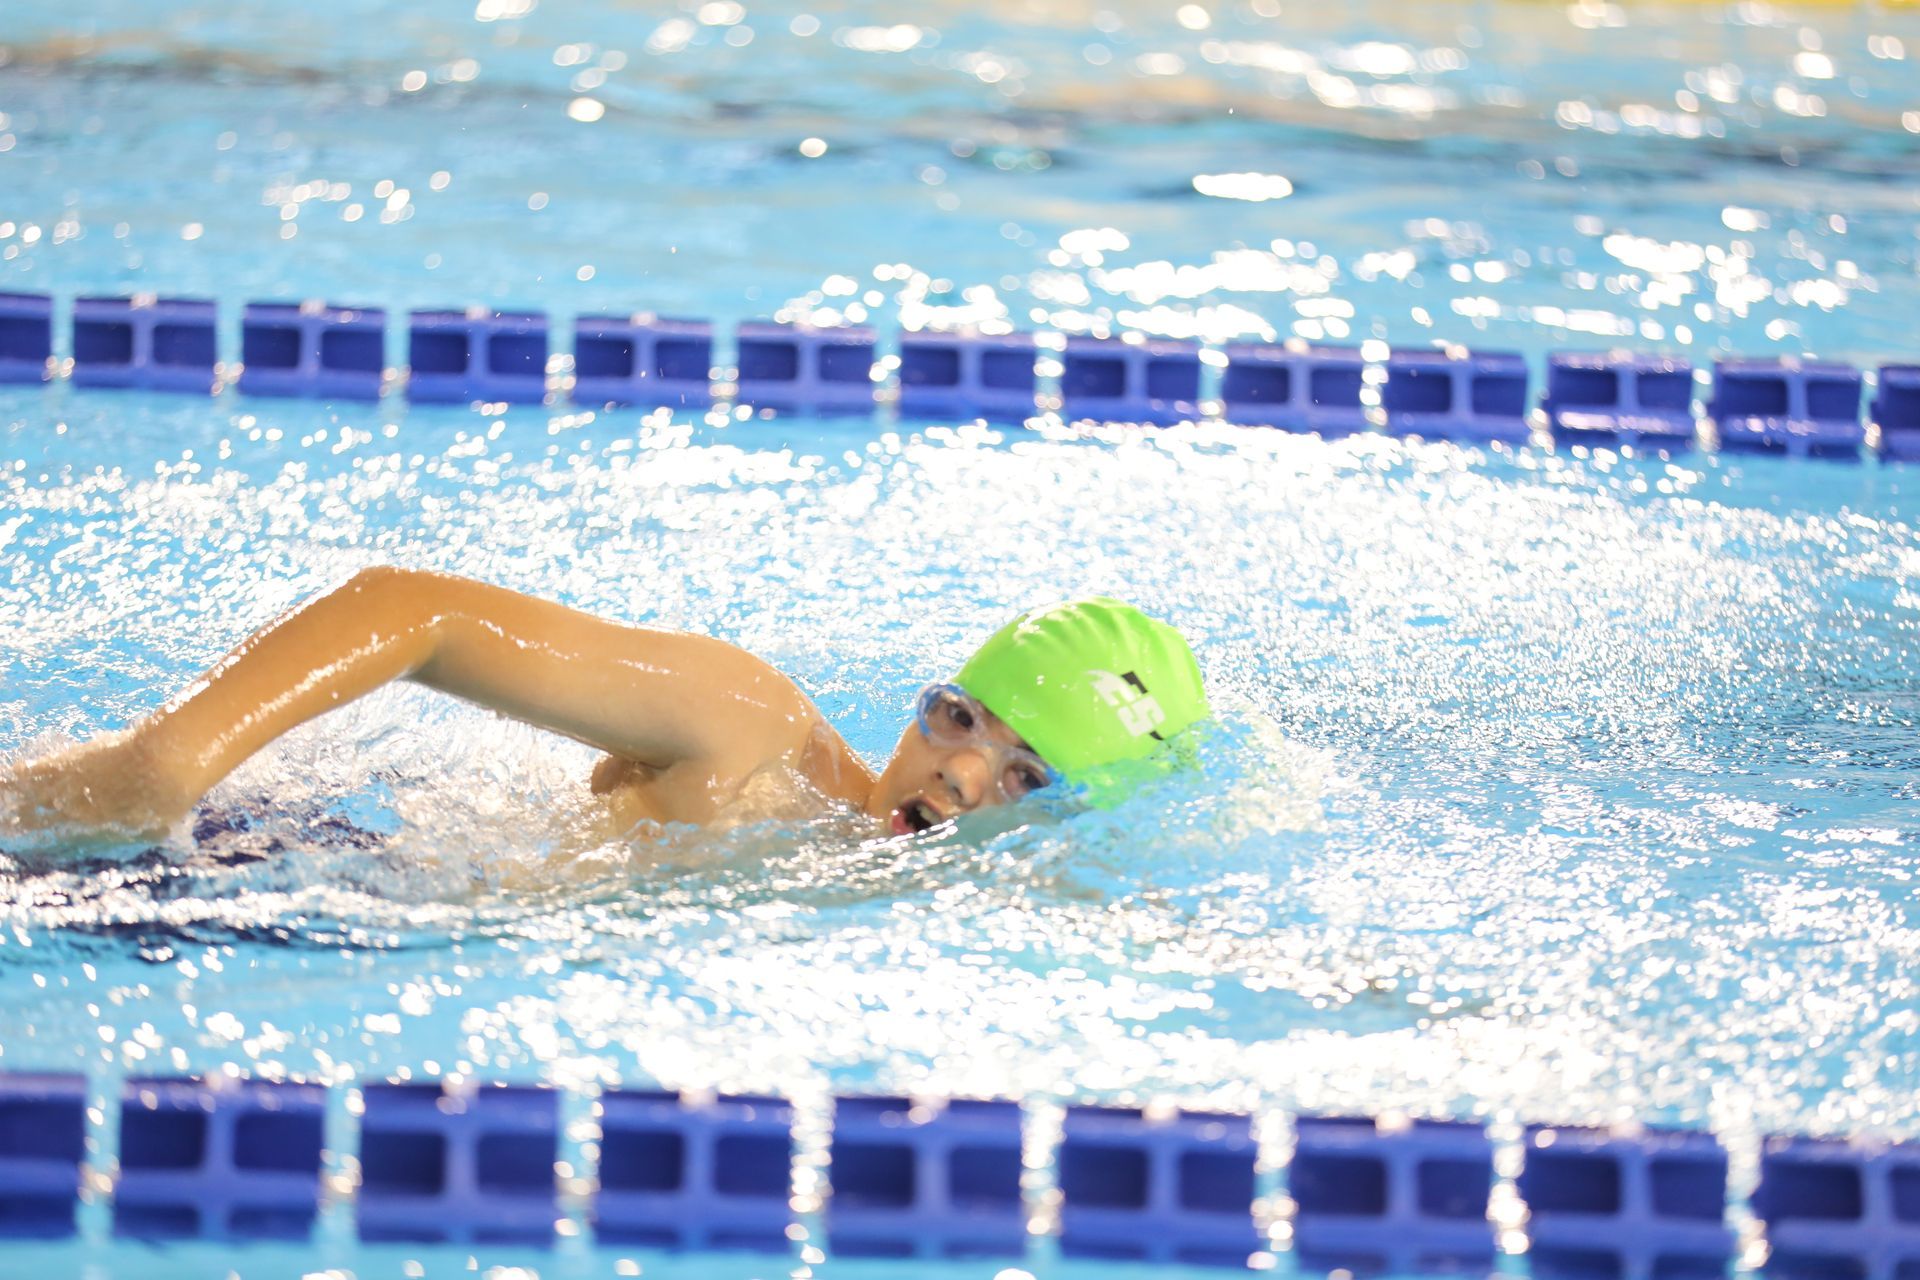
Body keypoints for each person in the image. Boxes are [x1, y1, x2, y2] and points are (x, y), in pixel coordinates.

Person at [0, 567, 1211, 851]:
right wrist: (159, 767)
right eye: (958, 716)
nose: (960, 772)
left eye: (1026, 773)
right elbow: (417, 610)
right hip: (227, 864)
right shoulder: (753, 731)